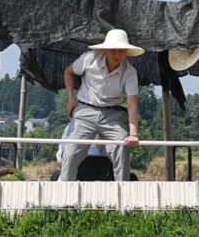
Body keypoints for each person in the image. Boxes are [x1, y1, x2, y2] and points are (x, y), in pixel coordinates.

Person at [58, 29, 142, 182]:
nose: (117, 54)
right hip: (85, 112)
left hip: (112, 116)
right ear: (106, 49)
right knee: (71, 151)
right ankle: (64, 193)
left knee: (122, 145)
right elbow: (68, 72)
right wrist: (70, 99)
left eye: (121, 51)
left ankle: (124, 193)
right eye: (113, 50)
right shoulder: (89, 59)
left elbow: (132, 105)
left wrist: (133, 134)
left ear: (126, 52)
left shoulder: (130, 72)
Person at [50, 120, 138, 181]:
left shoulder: (71, 127)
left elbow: (61, 158)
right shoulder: (117, 128)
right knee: (131, 177)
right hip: (108, 170)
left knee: (56, 175)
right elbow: (122, 158)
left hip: (80, 170)